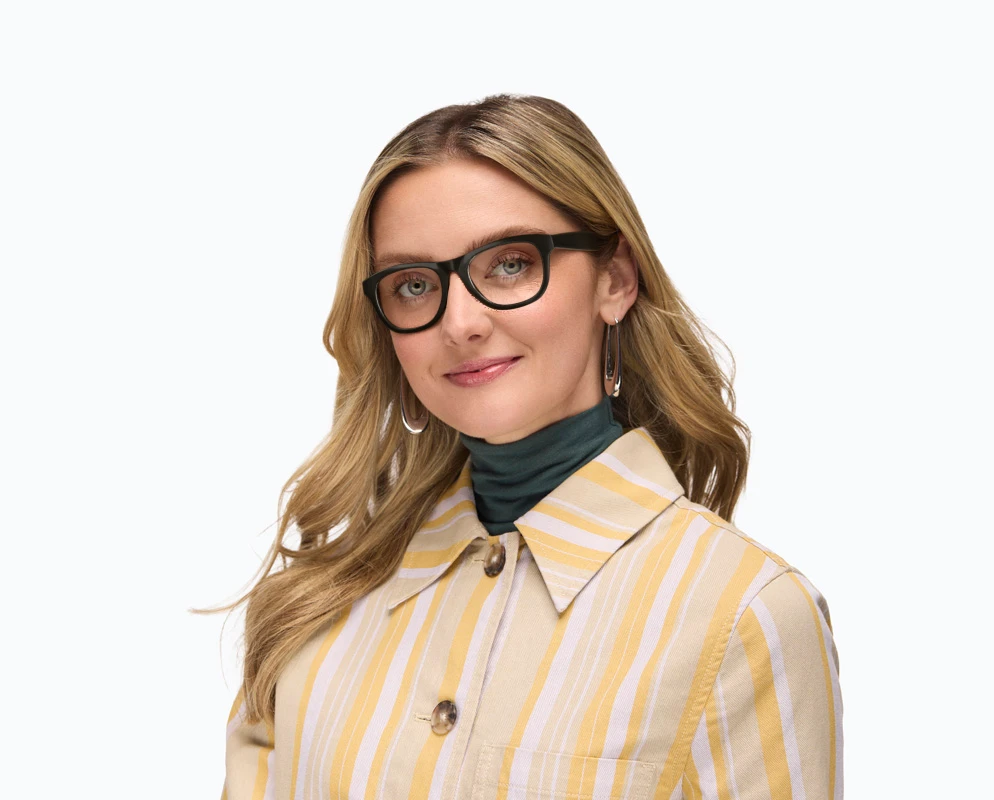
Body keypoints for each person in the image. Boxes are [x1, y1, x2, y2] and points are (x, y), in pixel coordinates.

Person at [214, 93, 843, 800]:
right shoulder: (313, 610)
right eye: (414, 284)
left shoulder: (744, 612)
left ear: (615, 279)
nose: (460, 322)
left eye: (510, 264)